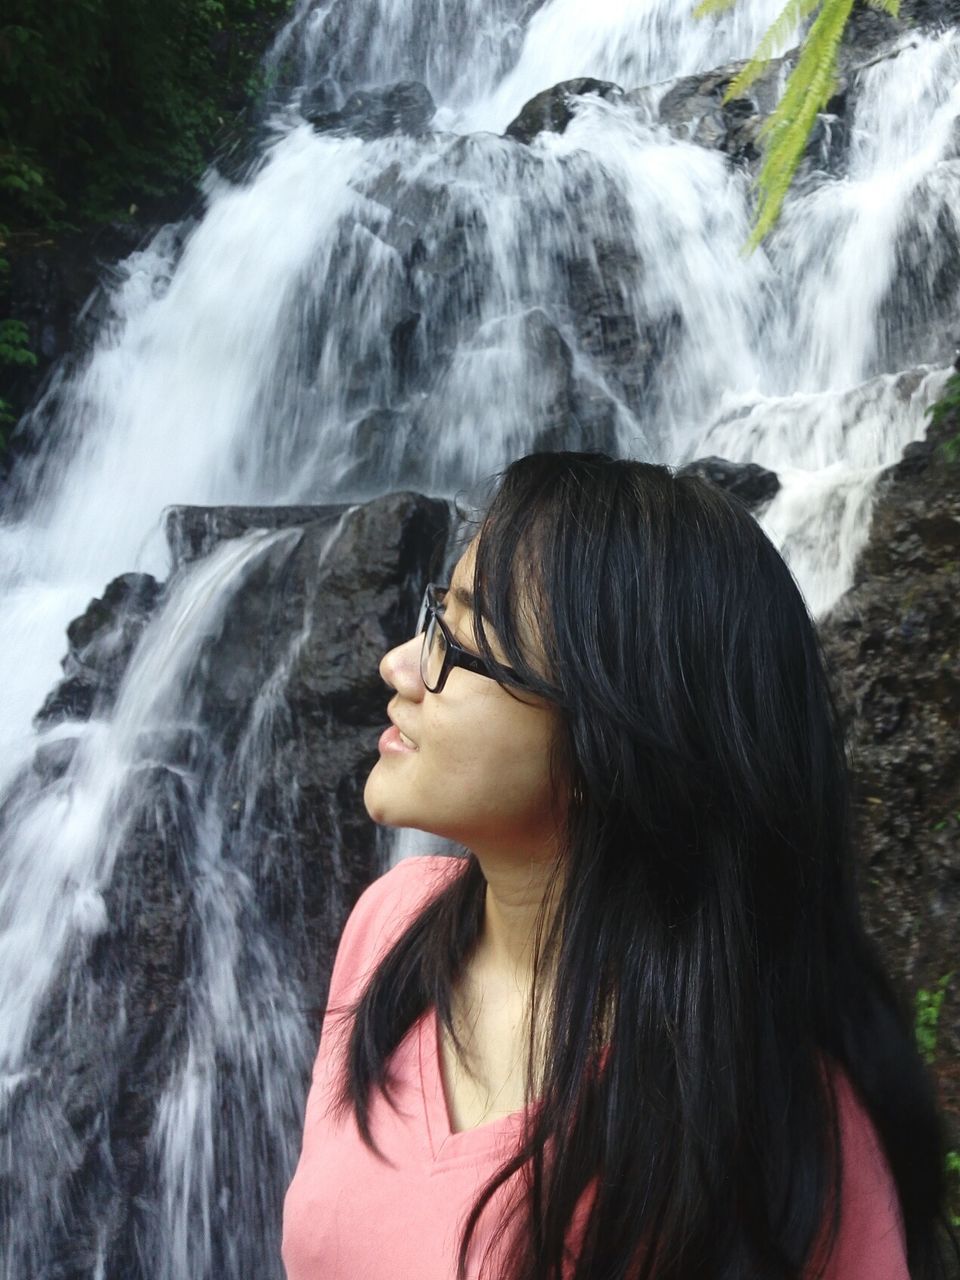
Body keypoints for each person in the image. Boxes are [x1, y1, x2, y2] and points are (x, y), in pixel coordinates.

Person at [282, 451, 952, 1280]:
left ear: (611, 743)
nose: (397, 666)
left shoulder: (769, 1118)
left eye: (457, 640)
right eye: (434, 616)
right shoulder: (392, 924)